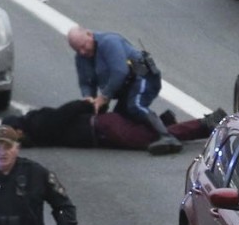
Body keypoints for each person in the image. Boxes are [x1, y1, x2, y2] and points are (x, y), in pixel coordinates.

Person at [66, 25, 183, 155]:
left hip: (143, 78)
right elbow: (86, 82)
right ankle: (167, 121)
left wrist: (104, 97)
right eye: (77, 49)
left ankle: (167, 137)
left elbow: (120, 72)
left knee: (135, 106)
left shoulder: (109, 42)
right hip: (126, 87)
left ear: (89, 34)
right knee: (120, 120)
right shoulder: (82, 58)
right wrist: (89, 98)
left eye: (83, 46)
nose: (82, 52)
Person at [1, 99, 227, 150]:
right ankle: (166, 120)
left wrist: (87, 105)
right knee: (147, 134)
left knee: (148, 139)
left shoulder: (38, 123)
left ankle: (204, 125)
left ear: (18, 129)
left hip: (102, 129)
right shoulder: (34, 126)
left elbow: (64, 114)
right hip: (102, 126)